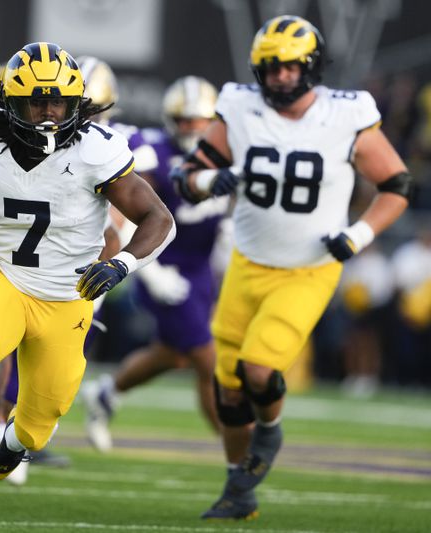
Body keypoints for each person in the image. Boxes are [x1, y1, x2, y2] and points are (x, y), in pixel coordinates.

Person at [0, 42, 175, 533]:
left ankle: (11, 445)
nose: (49, 113)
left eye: (58, 102)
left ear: (77, 103)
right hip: (6, 277)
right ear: (11, 103)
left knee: (37, 425)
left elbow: (158, 218)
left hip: (67, 297)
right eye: (37, 102)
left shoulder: (97, 150)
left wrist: (121, 264)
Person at [170, 16, 411, 519]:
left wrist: (359, 234)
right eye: (270, 67)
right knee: (228, 385)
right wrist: (205, 183)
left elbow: (396, 184)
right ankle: (239, 485)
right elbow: (187, 174)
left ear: (311, 66)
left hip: (309, 267)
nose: (280, 76)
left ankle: (272, 432)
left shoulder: (345, 115)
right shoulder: (239, 106)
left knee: (259, 368)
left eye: (289, 66)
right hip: (247, 261)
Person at [82, 75, 224, 453]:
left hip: (201, 267)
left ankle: (107, 392)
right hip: (164, 263)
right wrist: (153, 270)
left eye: (199, 120)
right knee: (206, 359)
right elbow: (135, 214)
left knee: (174, 353)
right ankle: (237, 445)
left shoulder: (227, 150)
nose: (192, 128)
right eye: (184, 120)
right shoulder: (154, 153)